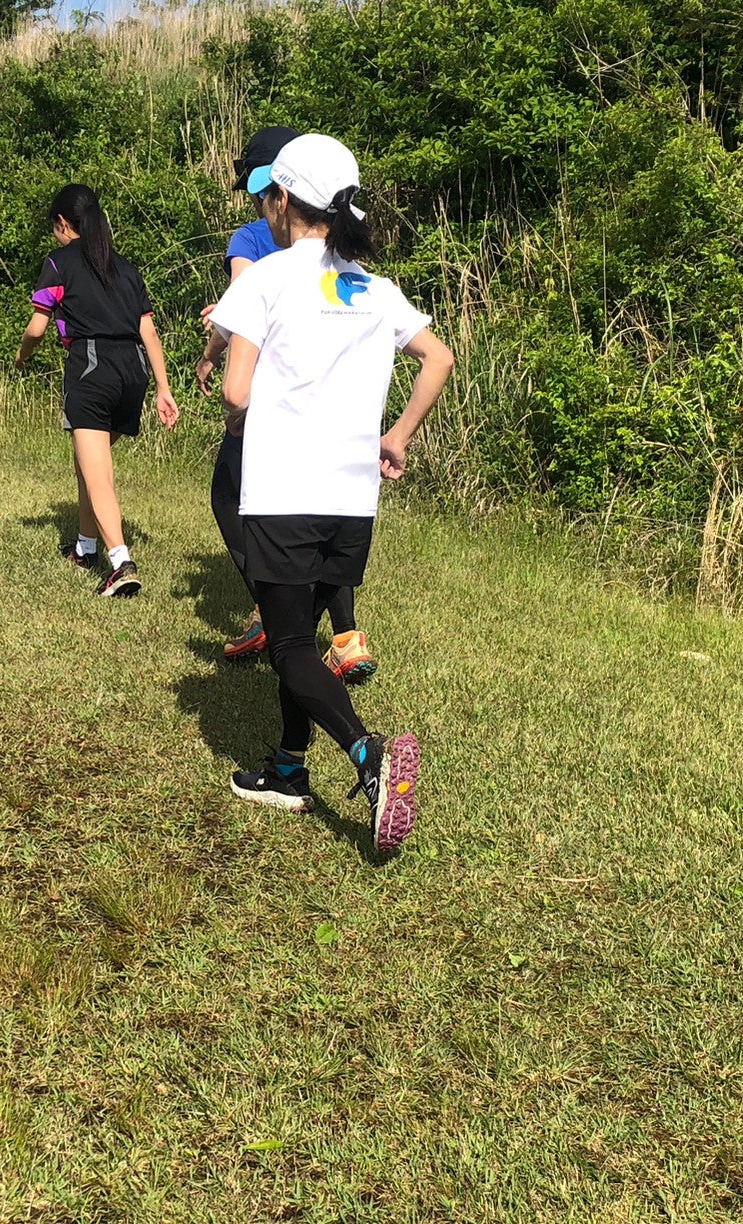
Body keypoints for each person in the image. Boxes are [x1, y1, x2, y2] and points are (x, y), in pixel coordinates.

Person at [210, 134, 454, 852]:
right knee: (301, 638)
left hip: (284, 491)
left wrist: (238, 418)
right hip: (351, 503)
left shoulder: (266, 277)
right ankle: (288, 768)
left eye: (268, 196)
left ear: (282, 200)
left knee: (289, 645)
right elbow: (437, 358)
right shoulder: (374, 287)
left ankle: (368, 754)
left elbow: (235, 390)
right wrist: (397, 436)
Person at [196, 128, 377, 682]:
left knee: (228, 494)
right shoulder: (339, 239)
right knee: (329, 509)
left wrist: (210, 354)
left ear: (275, 191)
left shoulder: (252, 238)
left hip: (271, 398)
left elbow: (241, 308)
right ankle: (346, 638)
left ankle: (274, 611)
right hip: (336, 402)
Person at [15, 184, 179, 597]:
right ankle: (84, 549)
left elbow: (37, 327)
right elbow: (148, 331)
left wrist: (22, 355)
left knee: (99, 474)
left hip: (91, 367)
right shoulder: (125, 268)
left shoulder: (59, 263)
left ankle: (121, 563)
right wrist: (163, 388)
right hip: (133, 372)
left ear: (62, 223)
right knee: (88, 463)